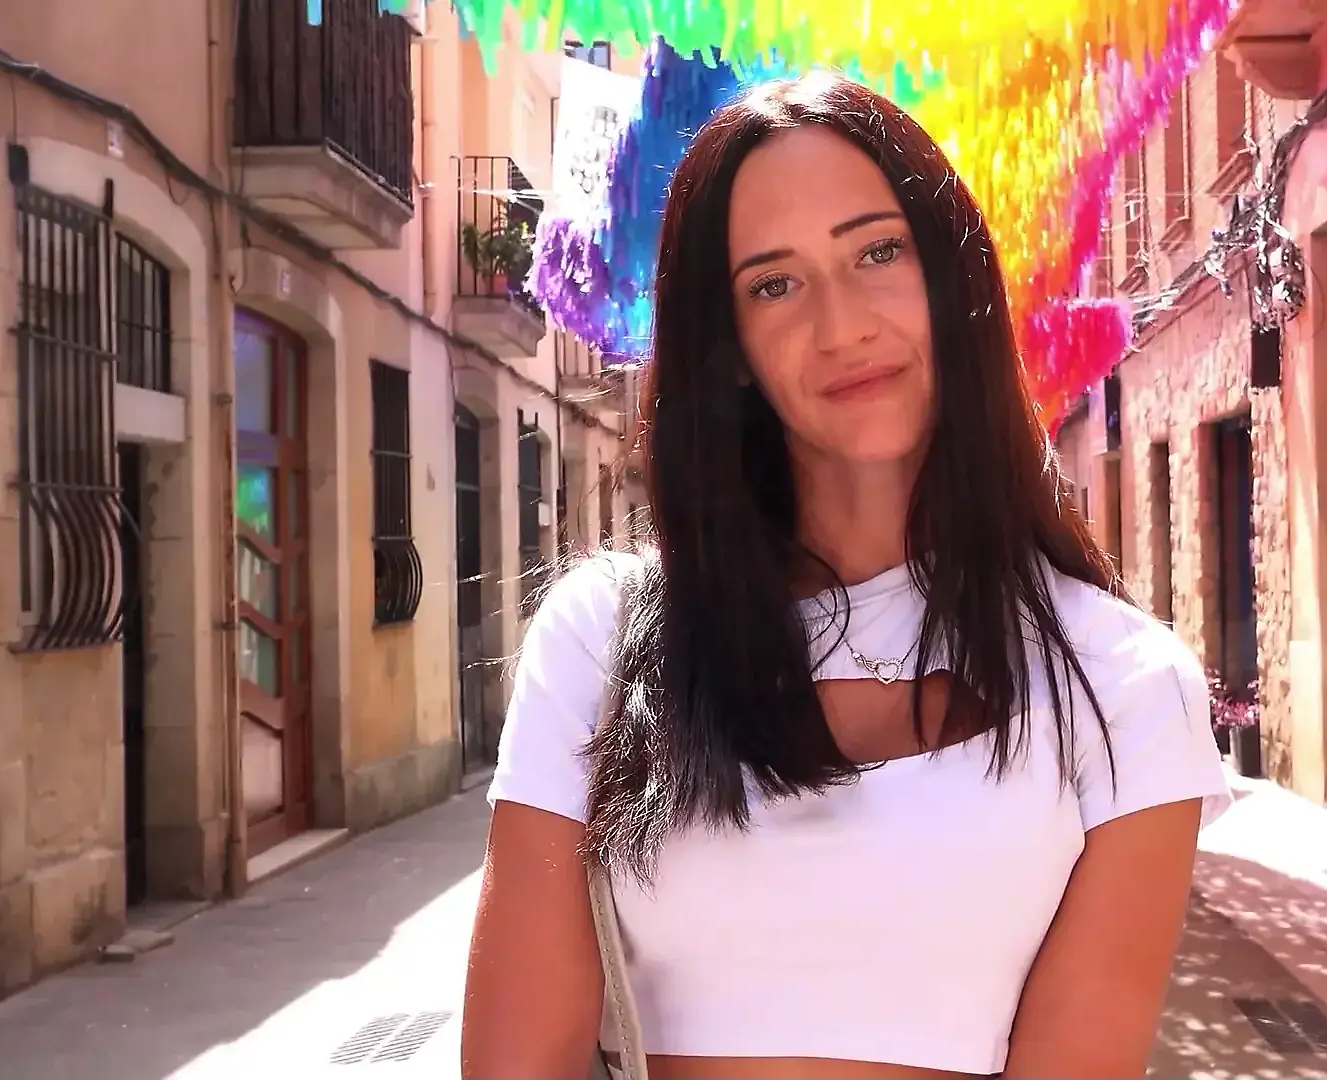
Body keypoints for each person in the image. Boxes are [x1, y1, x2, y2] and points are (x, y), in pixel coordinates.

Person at [462, 70, 1233, 1080]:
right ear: (731, 347)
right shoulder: (601, 639)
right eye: (773, 285)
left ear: (952, 279)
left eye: (878, 252)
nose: (843, 327)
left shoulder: (1122, 681)